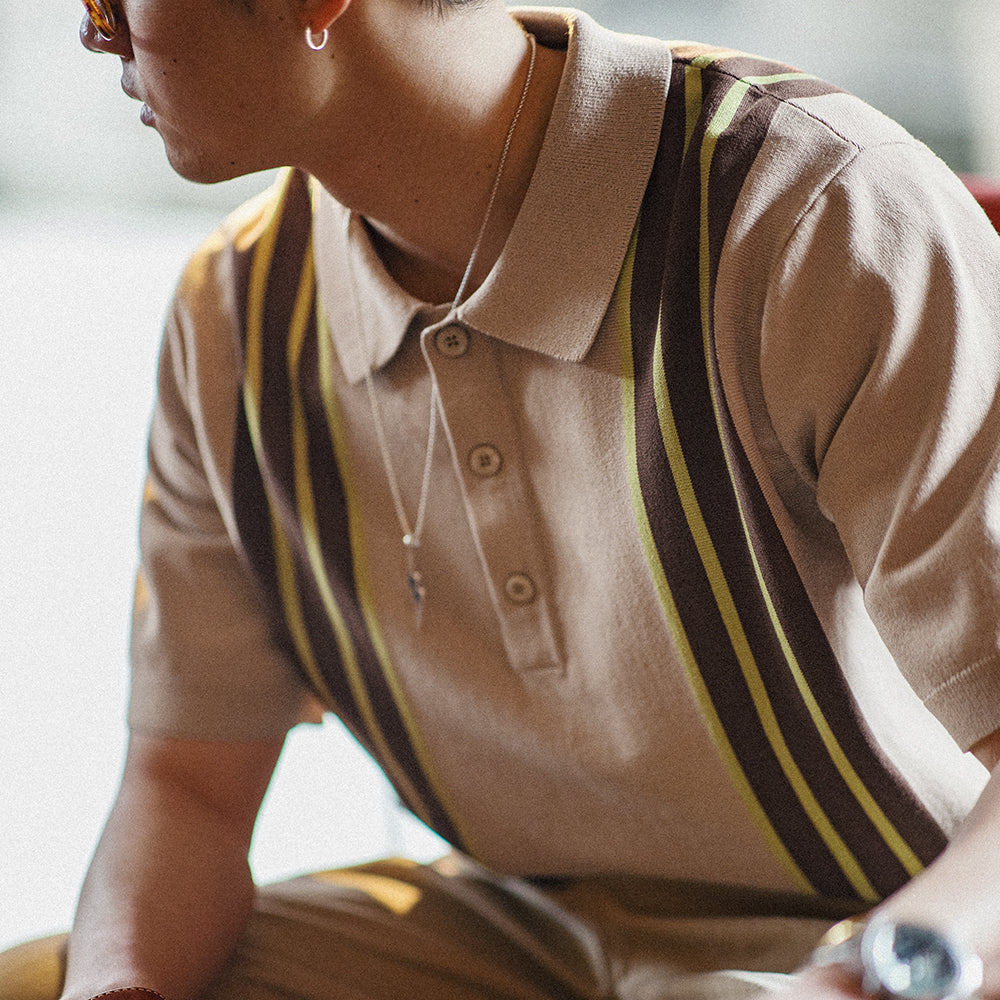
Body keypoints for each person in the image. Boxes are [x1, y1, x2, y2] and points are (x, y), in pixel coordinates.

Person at [63, 0, 1000, 998]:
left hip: (887, 919)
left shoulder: (812, 212)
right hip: (520, 930)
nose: (94, 33)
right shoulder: (236, 315)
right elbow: (187, 790)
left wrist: (886, 972)